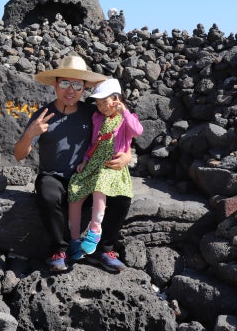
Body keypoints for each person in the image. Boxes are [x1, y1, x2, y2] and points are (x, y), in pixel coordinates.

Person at [14, 55, 133, 273]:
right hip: (54, 176)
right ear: (56, 84)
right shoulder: (44, 114)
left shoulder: (94, 113)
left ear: (85, 88)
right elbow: (19, 155)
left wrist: (128, 155)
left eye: (77, 84)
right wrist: (30, 134)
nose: (71, 89)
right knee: (48, 193)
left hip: (88, 175)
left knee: (122, 197)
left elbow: (121, 130)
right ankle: (60, 249)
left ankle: (104, 250)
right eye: (65, 83)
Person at [66, 78, 143, 261]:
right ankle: (74, 239)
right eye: (98, 103)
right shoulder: (97, 118)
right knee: (75, 189)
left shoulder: (126, 119)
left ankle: (94, 230)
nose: (101, 107)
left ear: (116, 99)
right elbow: (94, 143)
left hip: (111, 166)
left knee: (101, 185)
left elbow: (137, 131)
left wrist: (124, 111)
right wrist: (85, 160)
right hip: (94, 162)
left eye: (105, 102)